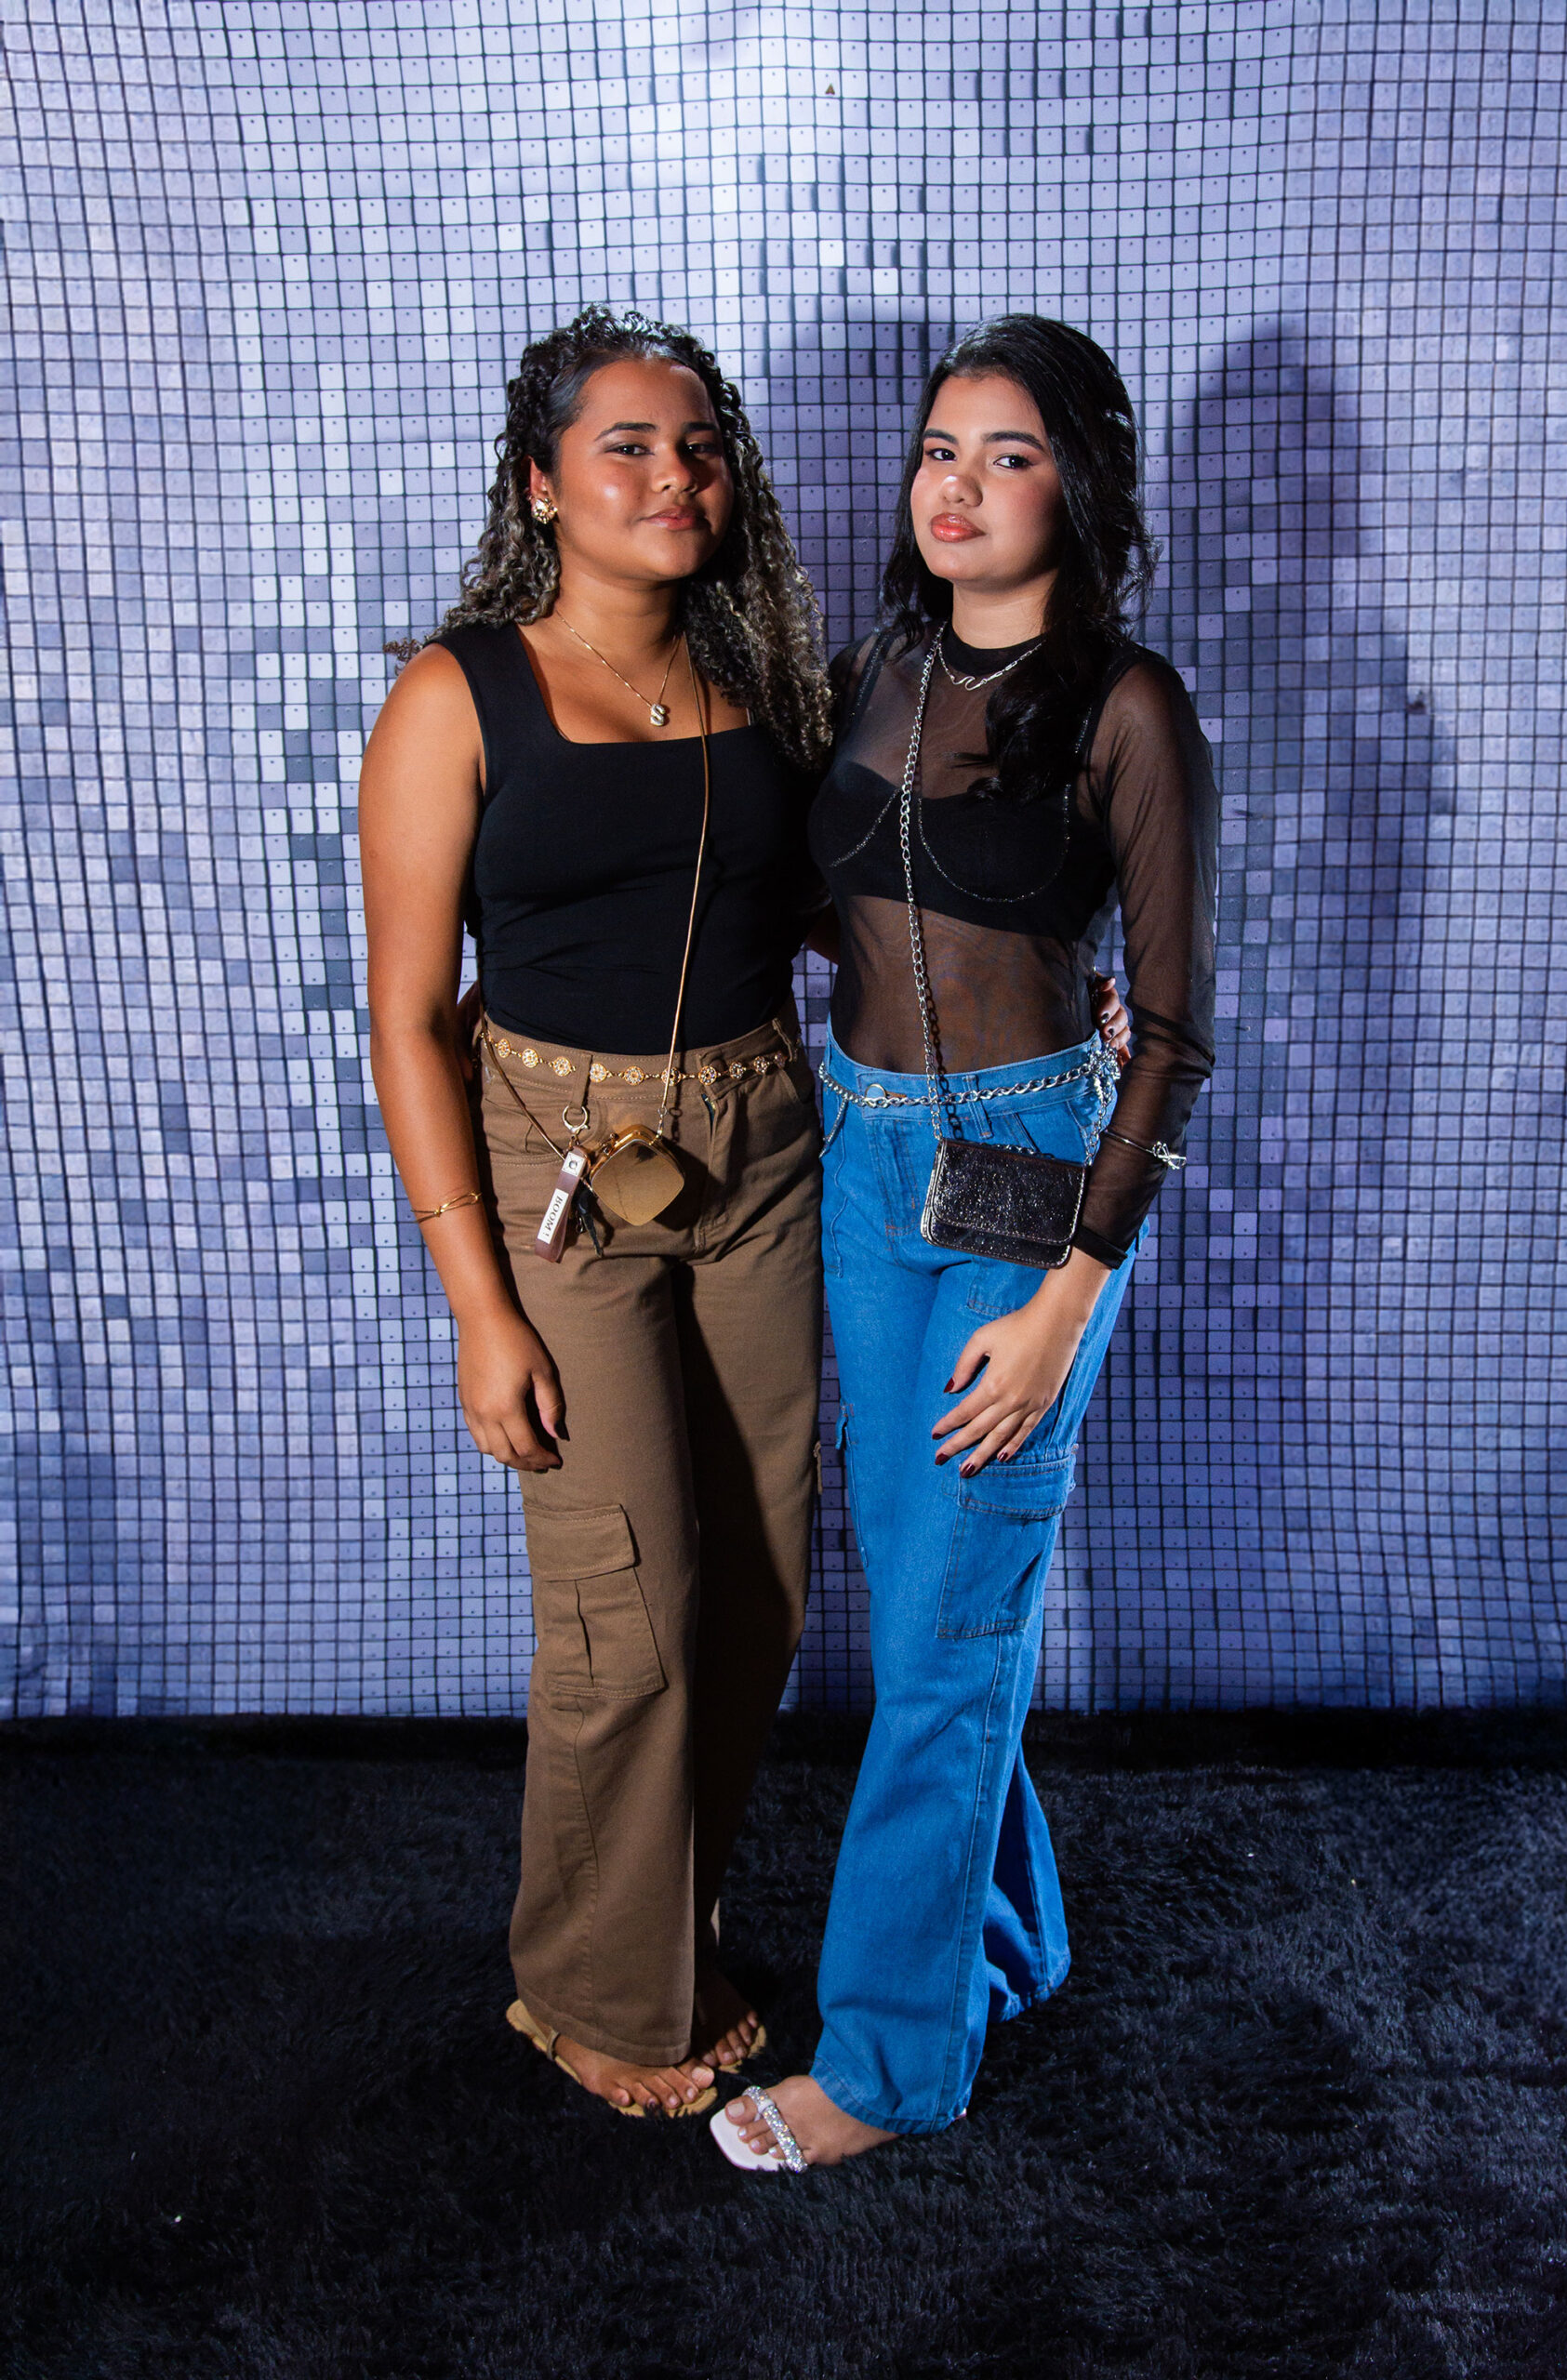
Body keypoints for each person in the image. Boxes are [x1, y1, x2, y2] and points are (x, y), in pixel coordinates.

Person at [717, 316, 1218, 2171]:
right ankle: (1009, 1937)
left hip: (1033, 1181)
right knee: (928, 1584)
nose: (959, 484)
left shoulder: (1128, 710)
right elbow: (821, 899)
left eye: (1009, 455)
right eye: (942, 447)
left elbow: (1172, 1036)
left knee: (942, 1628)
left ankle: (886, 2061)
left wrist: (1073, 1295)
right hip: (866, 1160)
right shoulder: (875, 670)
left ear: (1074, 490)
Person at [359, 305, 835, 2119]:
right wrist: (478, 1309)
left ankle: (663, 1930)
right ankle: (592, 1994)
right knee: (626, 1604)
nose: (670, 474)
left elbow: (827, 911)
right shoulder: (455, 695)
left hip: (759, 1151)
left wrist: (1041, 989)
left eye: (696, 443)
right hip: (557, 1181)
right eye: (624, 444)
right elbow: (409, 1017)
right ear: (542, 484)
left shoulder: (760, 684)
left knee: (762, 1588)